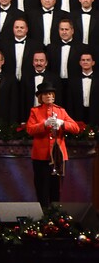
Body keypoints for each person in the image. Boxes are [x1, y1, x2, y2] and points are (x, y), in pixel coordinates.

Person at [25, 79, 80, 209]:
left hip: (58, 156)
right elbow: (30, 129)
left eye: (50, 94)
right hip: (41, 156)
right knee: (42, 188)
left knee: (56, 188)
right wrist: (44, 124)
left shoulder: (61, 111)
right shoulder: (35, 111)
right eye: (45, 94)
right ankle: (43, 213)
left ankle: (55, 214)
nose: (49, 96)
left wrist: (62, 123)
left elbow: (76, 128)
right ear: (41, 97)